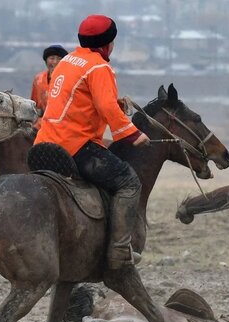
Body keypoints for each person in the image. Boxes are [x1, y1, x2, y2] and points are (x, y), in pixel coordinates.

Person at [35, 14, 150, 269]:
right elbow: (106, 106)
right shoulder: (99, 67)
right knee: (129, 182)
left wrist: (113, 105)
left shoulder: (67, 61)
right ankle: (120, 251)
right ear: (107, 44)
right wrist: (132, 133)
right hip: (75, 146)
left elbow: (77, 100)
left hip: (44, 143)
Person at [30, 44, 68, 129]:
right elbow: (34, 105)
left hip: (63, 124)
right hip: (40, 124)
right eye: (52, 58)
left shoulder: (69, 79)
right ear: (46, 60)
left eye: (59, 59)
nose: (55, 62)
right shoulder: (38, 79)